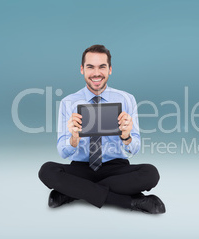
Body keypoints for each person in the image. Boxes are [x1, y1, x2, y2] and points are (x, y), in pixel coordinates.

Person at [38, 44, 165, 214]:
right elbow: (63, 152)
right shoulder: (68, 102)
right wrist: (73, 139)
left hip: (116, 168)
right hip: (81, 167)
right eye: (90, 67)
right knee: (47, 170)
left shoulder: (127, 99)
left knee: (150, 173)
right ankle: (130, 202)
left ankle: (73, 192)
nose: (96, 73)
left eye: (102, 67)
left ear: (110, 69)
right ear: (82, 69)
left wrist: (126, 137)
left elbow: (135, 149)